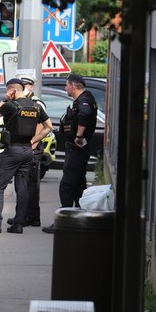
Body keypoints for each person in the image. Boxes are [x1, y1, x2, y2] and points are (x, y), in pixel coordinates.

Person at [0, 78, 51, 234]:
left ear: (12, 90)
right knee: (22, 187)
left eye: (8, 91)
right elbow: (48, 127)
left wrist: (4, 99)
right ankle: (18, 224)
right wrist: (33, 141)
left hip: (12, 151)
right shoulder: (35, 106)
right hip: (28, 151)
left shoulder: (11, 105)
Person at [43, 73, 98, 233]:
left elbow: (85, 115)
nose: (65, 88)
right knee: (78, 183)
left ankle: (64, 220)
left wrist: (79, 136)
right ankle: (79, 219)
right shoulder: (83, 99)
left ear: (73, 86)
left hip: (78, 147)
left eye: (67, 85)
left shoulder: (84, 100)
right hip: (77, 148)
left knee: (67, 184)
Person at [7, 76, 53, 228]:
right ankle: (24, 215)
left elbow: (41, 127)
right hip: (26, 147)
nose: (24, 87)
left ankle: (31, 217)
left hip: (32, 148)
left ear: (32, 87)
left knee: (29, 184)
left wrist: (32, 145)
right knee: (23, 184)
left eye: (26, 85)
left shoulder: (36, 103)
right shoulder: (21, 102)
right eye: (22, 85)